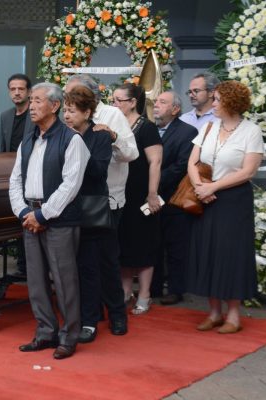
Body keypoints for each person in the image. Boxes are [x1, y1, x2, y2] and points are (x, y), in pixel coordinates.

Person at [9, 82, 90, 360]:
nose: (31, 106)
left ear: (55, 106)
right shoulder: (28, 139)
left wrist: (43, 214)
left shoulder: (72, 140)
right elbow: (15, 180)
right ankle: (45, 332)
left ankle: (69, 336)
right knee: (36, 281)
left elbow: (71, 185)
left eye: (37, 100)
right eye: (31, 100)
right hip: (29, 216)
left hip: (60, 219)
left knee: (64, 281)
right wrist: (24, 212)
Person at [187, 80, 266, 334]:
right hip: (205, 197)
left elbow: (248, 171)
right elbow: (192, 162)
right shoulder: (209, 127)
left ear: (232, 103)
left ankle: (233, 315)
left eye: (218, 100)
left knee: (231, 255)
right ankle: (214, 313)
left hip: (234, 201)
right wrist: (200, 187)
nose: (213, 103)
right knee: (208, 252)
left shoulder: (251, 131)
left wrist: (214, 187)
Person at [65, 74, 138, 338]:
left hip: (105, 201)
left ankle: (117, 314)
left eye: (72, 101)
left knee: (107, 261)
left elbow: (130, 153)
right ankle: (91, 316)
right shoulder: (66, 130)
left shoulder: (110, 118)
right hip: (72, 204)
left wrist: (112, 136)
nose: (66, 111)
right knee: (85, 264)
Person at [63, 85, 112, 343]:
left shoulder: (99, 136)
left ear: (87, 112)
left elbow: (98, 172)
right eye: (65, 110)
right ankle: (73, 315)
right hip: (65, 206)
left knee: (89, 267)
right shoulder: (62, 134)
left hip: (89, 208)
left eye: (72, 111)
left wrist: (78, 144)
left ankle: (90, 320)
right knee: (68, 267)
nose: (67, 116)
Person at [112, 83, 163, 314]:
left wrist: (152, 193)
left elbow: (155, 162)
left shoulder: (147, 127)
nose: (115, 104)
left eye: (119, 100)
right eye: (113, 100)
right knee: (123, 245)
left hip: (141, 194)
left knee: (143, 245)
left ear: (133, 102)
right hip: (120, 193)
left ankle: (144, 294)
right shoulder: (117, 126)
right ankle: (125, 291)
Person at [151, 91, 198, 305]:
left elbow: (181, 166)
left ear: (175, 109)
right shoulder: (149, 130)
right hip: (149, 198)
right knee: (153, 243)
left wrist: (153, 181)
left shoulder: (187, 132)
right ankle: (153, 287)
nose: (156, 105)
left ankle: (176, 289)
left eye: (162, 102)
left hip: (174, 198)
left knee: (176, 247)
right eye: (156, 101)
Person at [0, 73, 34, 277]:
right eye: (13, 89)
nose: (17, 92)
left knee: (29, 218)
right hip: (12, 175)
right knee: (15, 219)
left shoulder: (36, 114)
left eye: (21, 89)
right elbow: (3, 149)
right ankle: (21, 264)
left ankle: (30, 265)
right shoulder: (5, 116)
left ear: (29, 92)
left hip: (33, 174)